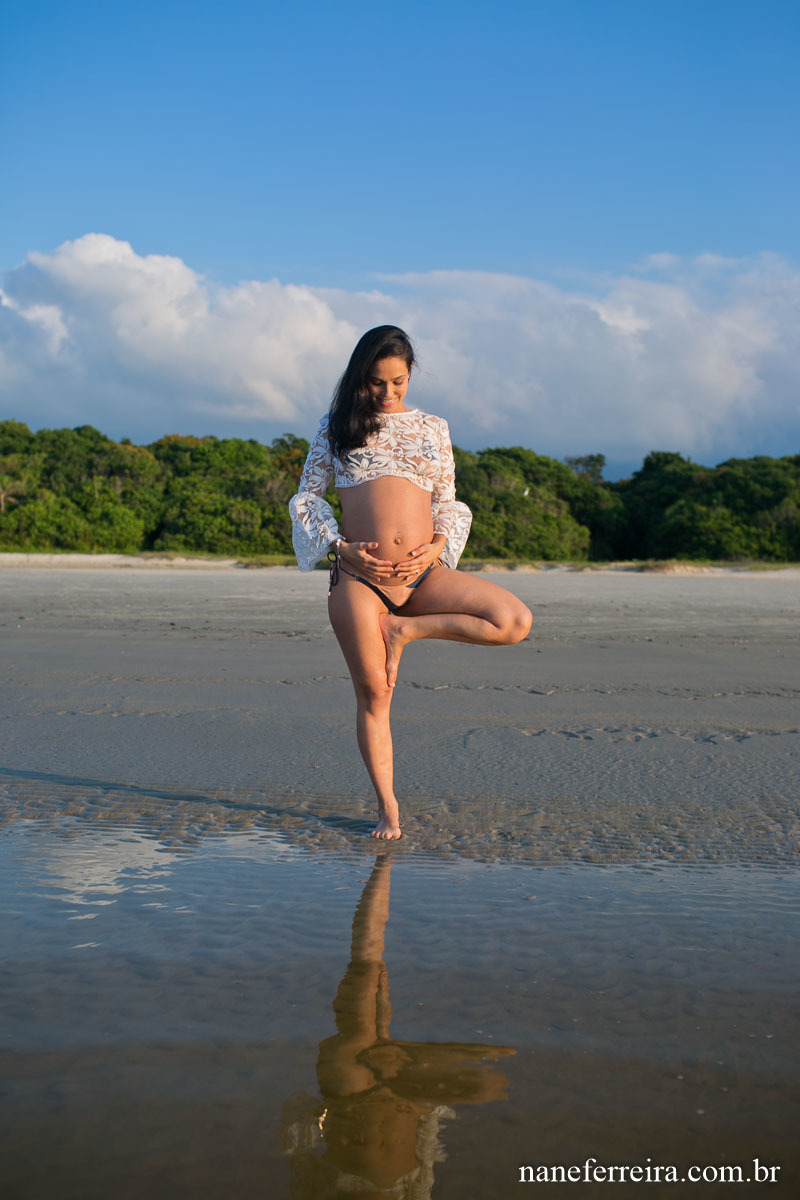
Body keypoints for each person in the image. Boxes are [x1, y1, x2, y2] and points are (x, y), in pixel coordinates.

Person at [289, 326, 532, 840]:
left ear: (410, 373)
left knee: (514, 621)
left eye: (397, 381)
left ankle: (407, 631)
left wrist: (441, 542)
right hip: (360, 577)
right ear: (360, 378)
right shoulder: (336, 427)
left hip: (424, 576)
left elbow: (447, 500)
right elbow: (307, 498)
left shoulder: (433, 427)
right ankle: (388, 810)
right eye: (376, 383)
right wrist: (341, 546)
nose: (387, 393)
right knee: (375, 694)